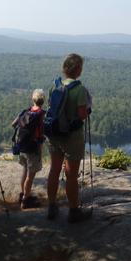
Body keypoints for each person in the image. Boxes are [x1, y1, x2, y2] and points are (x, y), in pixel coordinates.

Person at [47, 53, 92, 223]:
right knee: (71, 175)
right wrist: (87, 111)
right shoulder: (79, 89)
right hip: (72, 137)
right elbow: (81, 115)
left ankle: (52, 206)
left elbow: (51, 108)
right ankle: (74, 211)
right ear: (78, 69)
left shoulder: (55, 86)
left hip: (54, 134)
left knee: (54, 170)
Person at [12, 89, 46, 209]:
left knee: (25, 171)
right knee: (30, 177)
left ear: (33, 99)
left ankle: (23, 194)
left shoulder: (26, 111)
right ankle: (26, 200)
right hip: (32, 149)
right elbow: (41, 135)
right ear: (43, 100)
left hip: (22, 148)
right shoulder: (40, 115)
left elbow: (13, 124)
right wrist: (40, 151)